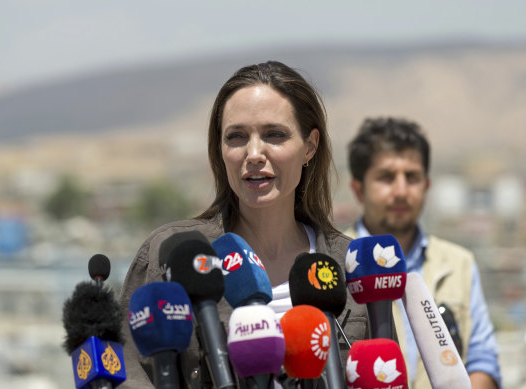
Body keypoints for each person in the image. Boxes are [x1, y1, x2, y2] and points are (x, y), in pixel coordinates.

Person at [118, 61, 369, 388]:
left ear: (309, 146)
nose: (253, 153)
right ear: (220, 150)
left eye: (274, 135)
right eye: (236, 137)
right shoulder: (170, 257)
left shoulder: (351, 267)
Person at [345, 117, 501, 389]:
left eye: (412, 177)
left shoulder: (459, 264)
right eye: (386, 177)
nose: (402, 191)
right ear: (358, 189)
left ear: (427, 187)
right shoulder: (332, 260)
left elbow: (482, 361)